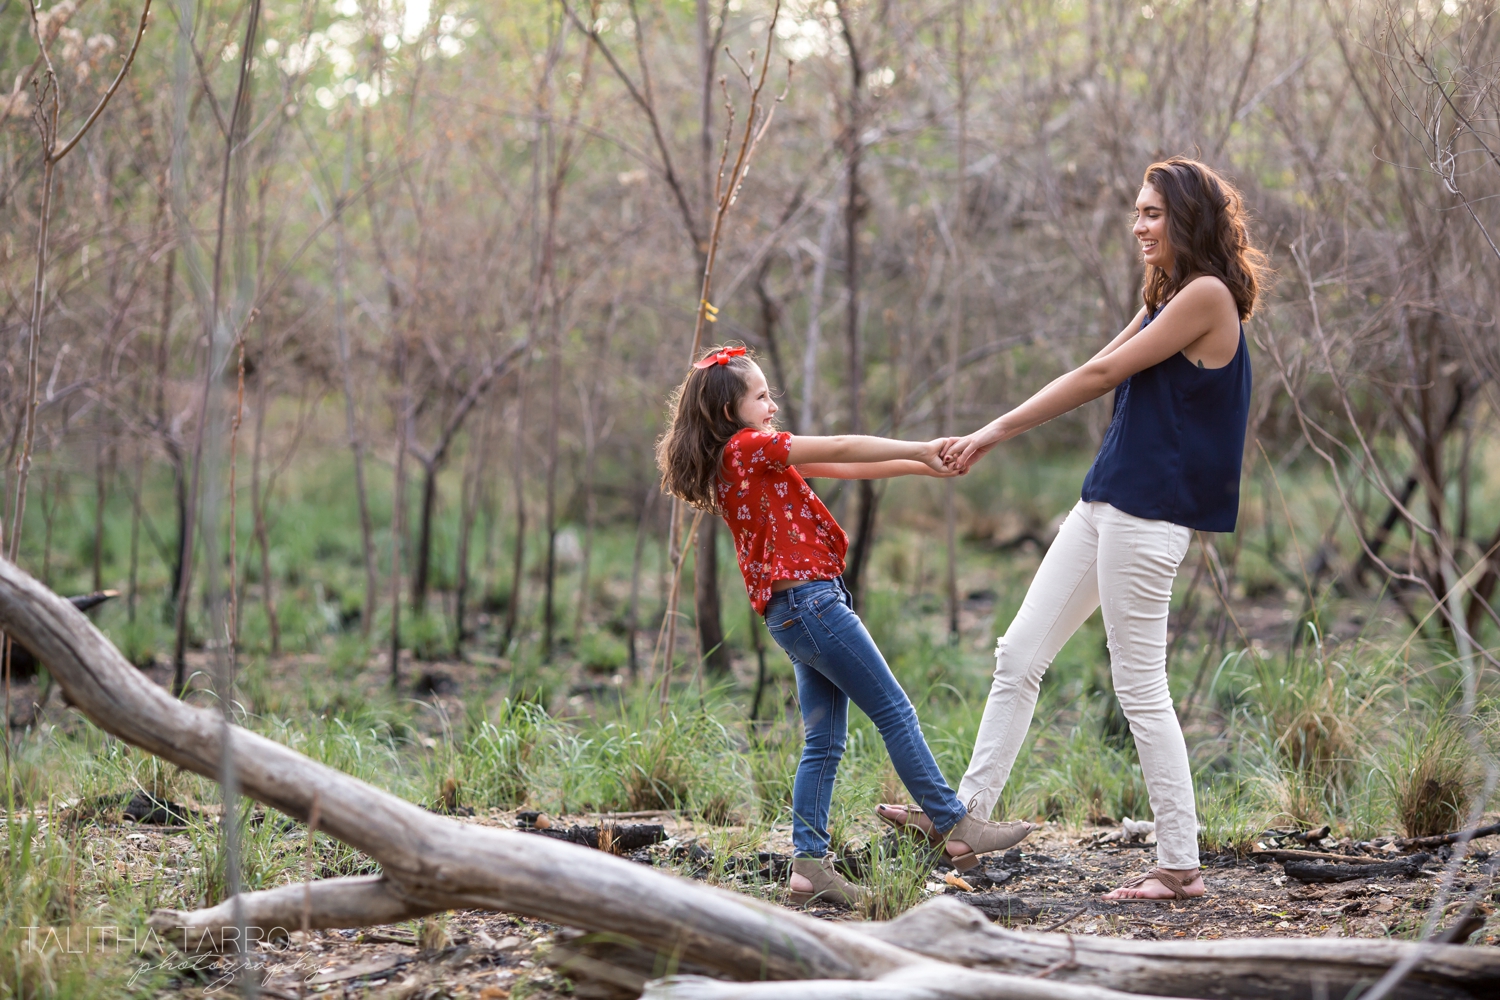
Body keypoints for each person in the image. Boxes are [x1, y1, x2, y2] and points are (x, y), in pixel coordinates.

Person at [879, 157, 1268, 901]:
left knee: (1140, 687)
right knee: (1018, 653)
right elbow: (1096, 364)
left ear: (1188, 218)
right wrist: (993, 429)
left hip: (1148, 517)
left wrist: (991, 432)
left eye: (1153, 212)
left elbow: (1099, 379)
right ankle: (964, 819)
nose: (1139, 225)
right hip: (1104, 504)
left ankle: (1179, 862)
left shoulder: (1208, 296)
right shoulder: (1169, 295)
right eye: (1137, 212)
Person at [656, 345, 1033, 907]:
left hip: (797, 613)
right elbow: (837, 445)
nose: (771, 404)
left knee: (824, 742)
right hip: (812, 606)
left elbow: (843, 465)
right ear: (728, 411)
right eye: (760, 396)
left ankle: (808, 865)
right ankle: (953, 824)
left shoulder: (746, 456)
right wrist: (918, 445)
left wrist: (923, 462)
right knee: (894, 711)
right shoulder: (749, 447)